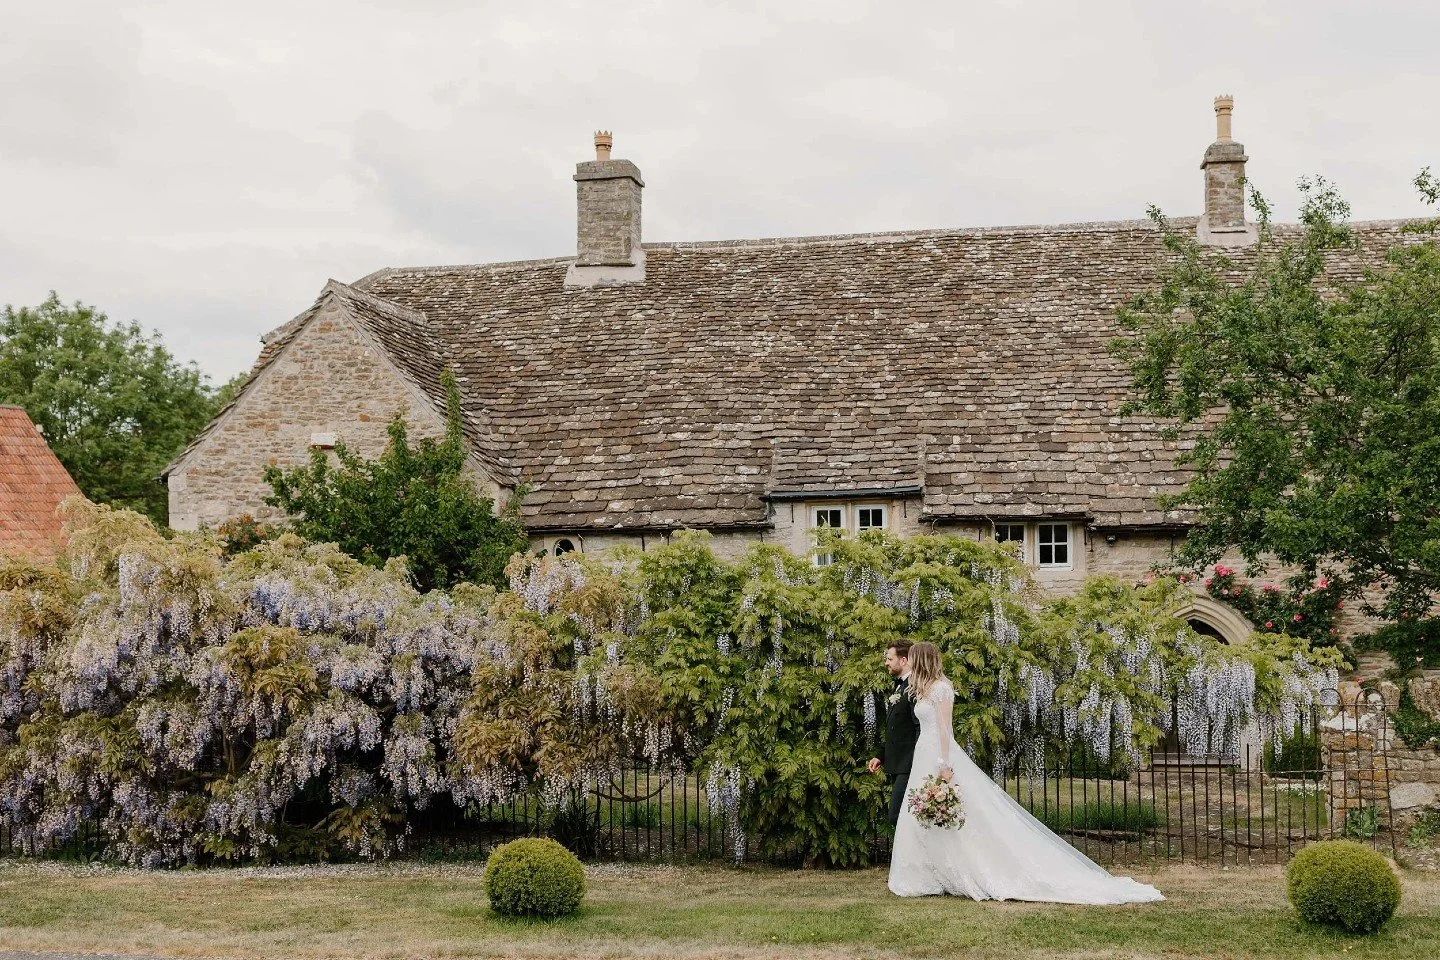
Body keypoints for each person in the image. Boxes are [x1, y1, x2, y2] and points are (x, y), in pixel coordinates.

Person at [879, 641, 1165, 904]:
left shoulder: (941, 688)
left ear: (923, 660)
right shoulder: (922, 689)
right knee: (919, 813)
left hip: (937, 753)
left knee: (954, 811)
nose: (910, 665)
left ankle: (965, 870)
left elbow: (945, 729)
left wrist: (944, 762)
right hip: (922, 754)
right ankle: (928, 873)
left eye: (914, 660)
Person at [866, 640, 920, 830]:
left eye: (890, 659)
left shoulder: (914, 688)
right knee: (903, 817)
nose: (886, 663)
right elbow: (895, 728)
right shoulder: (900, 687)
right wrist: (880, 755)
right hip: (898, 764)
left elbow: (919, 728)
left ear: (904, 660)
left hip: (910, 764)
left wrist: (918, 762)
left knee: (897, 816)